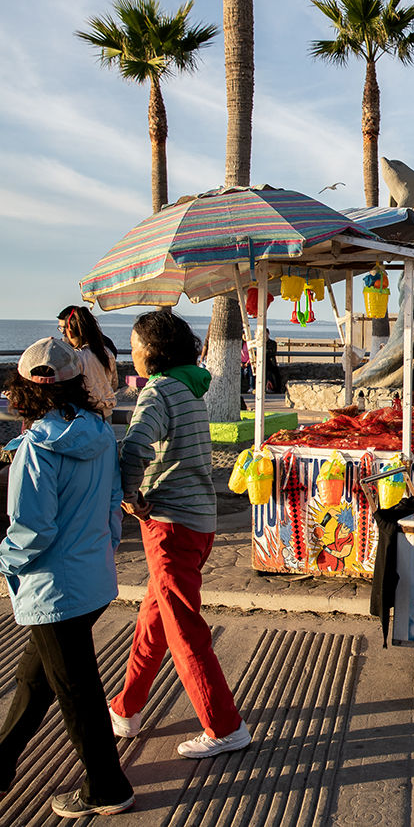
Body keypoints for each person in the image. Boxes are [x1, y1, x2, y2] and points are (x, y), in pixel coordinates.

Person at [0, 338, 135, 817]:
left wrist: (5, 562)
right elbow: (113, 502)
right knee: (36, 679)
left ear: (24, 389)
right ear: (76, 380)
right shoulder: (99, 431)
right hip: (91, 578)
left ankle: (107, 788)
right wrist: (103, 547)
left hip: (53, 588)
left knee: (76, 692)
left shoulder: (36, 449)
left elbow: (33, 529)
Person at [108, 310, 251, 759]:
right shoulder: (189, 388)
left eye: (134, 346)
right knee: (155, 618)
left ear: (153, 351)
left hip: (170, 525)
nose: (131, 354)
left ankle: (224, 726)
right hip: (197, 521)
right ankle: (126, 708)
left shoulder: (158, 391)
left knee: (184, 630)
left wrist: (129, 494)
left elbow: (135, 446)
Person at [57, 305, 117, 418]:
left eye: (62, 328)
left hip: (84, 416)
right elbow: (114, 384)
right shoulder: (106, 353)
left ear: (71, 328)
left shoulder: (75, 357)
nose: (62, 333)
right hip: (106, 413)